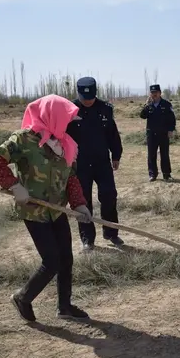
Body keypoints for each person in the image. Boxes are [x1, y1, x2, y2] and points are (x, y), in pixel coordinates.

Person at [0, 94, 93, 322]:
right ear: (52, 116)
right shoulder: (24, 140)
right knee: (52, 261)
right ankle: (22, 298)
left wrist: (80, 204)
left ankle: (64, 306)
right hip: (34, 211)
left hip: (57, 210)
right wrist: (14, 185)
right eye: (66, 119)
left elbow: (71, 177)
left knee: (66, 259)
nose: (69, 124)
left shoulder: (65, 143)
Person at [66, 76, 124, 251]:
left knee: (109, 195)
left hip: (101, 162)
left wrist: (116, 155)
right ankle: (87, 238)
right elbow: (63, 137)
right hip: (80, 164)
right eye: (84, 99)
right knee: (82, 201)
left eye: (90, 98)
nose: (88, 102)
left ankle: (111, 232)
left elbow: (112, 134)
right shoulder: (70, 110)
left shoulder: (105, 109)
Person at [139, 84, 177, 182]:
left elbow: (172, 119)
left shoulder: (166, 104)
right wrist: (146, 105)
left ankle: (166, 174)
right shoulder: (149, 105)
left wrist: (171, 130)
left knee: (164, 154)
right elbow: (142, 116)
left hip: (163, 133)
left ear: (160, 93)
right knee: (151, 154)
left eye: (156, 93)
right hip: (151, 134)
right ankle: (152, 174)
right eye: (152, 93)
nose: (154, 95)